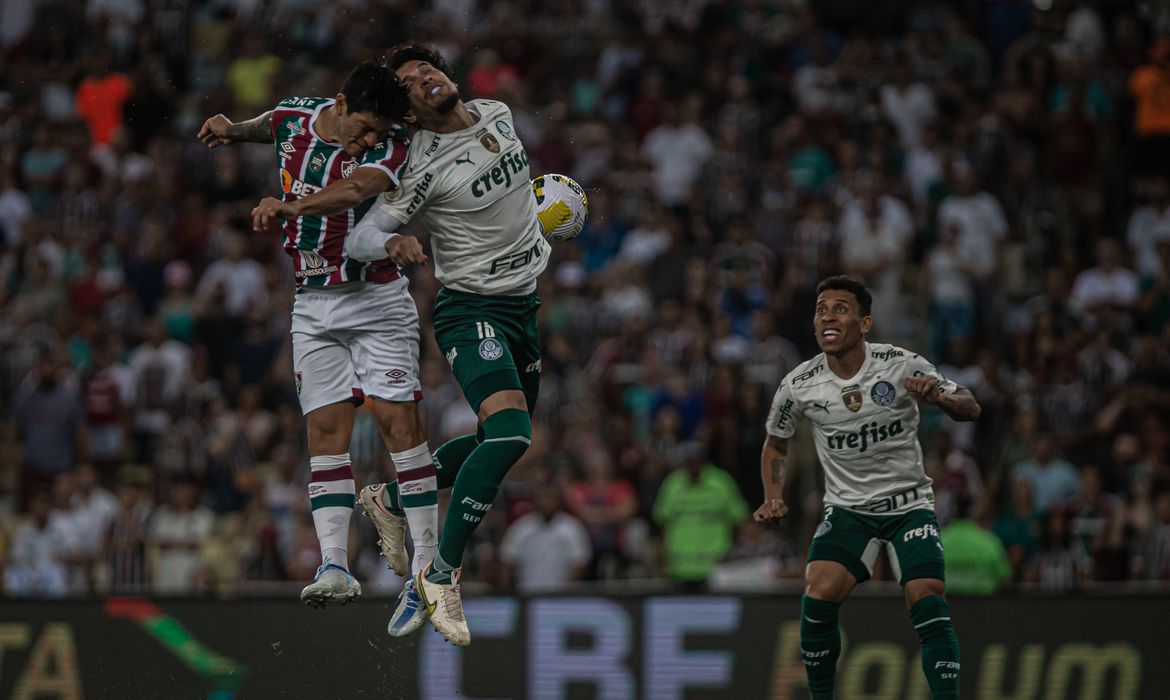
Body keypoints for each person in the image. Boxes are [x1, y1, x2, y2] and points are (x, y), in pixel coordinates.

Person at [196, 62, 440, 618]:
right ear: (338, 103)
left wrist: (292, 205)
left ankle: (427, 565)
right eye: (365, 128)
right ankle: (334, 565)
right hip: (312, 302)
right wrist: (233, 127)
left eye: (379, 132)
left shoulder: (390, 147)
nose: (371, 139)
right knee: (326, 430)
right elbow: (273, 123)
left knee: (398, 423)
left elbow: (355, 189)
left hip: (376, 300)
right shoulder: (297, 118)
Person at [347, 43, 556, 646]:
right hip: (472, 311)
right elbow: (365, 234)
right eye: (410, 83)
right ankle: (438, 575)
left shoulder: (496, 112)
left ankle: (387, 497)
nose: (425, 78)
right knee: (514, 434)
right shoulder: (418, 168)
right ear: (407, 111)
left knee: (503, 441)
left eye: (427, 69)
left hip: (523, 306)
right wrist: (388, 245)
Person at [755, 275, 981, 700]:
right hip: (847, 510)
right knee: (818, 593)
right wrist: (773, 494)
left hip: (908, 504)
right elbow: (775, 442)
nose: (827, 317)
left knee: (926, 595)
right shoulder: (799, 384)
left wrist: (940, 399)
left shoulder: (901, 363)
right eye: (821, 309)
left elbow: (970, 406)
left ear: (864, 323)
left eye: (840, 308)